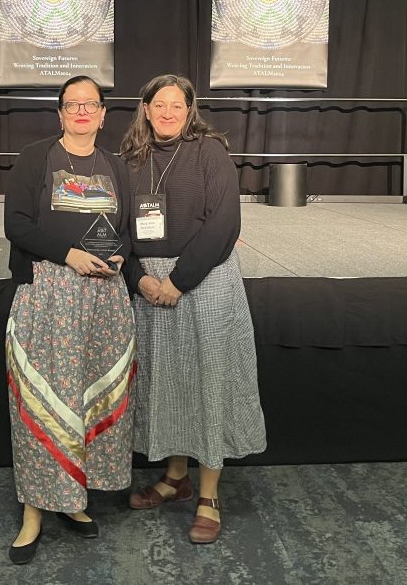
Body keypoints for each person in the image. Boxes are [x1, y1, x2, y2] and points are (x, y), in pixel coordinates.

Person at [120, 74, 266, 544]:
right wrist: (139, 277)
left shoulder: (210, 152)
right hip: (149, 282)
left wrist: (178, 282)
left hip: (203, 279)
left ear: (190, 111)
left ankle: (209, 495)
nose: (167, 113)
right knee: (166, 379)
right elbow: (115, 223)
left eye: (176, 106)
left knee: (208, 379)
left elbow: (225, 223)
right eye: (159, 105)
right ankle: (175, 478)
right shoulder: (130, 159)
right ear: (145, 109)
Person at [2, 75, 137, 565]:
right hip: (49, 295)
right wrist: (68, 254)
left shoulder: (116, 166)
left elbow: (126, 230)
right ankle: (34, 512)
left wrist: (119, 255)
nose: (82, 111)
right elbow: (15, 223)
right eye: (72, 104)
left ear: (103, 114)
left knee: (88, 398)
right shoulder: (36, 158)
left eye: (91, 104)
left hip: (103, 300)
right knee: (44, 403)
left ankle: (73, 500)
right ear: (60, 114)